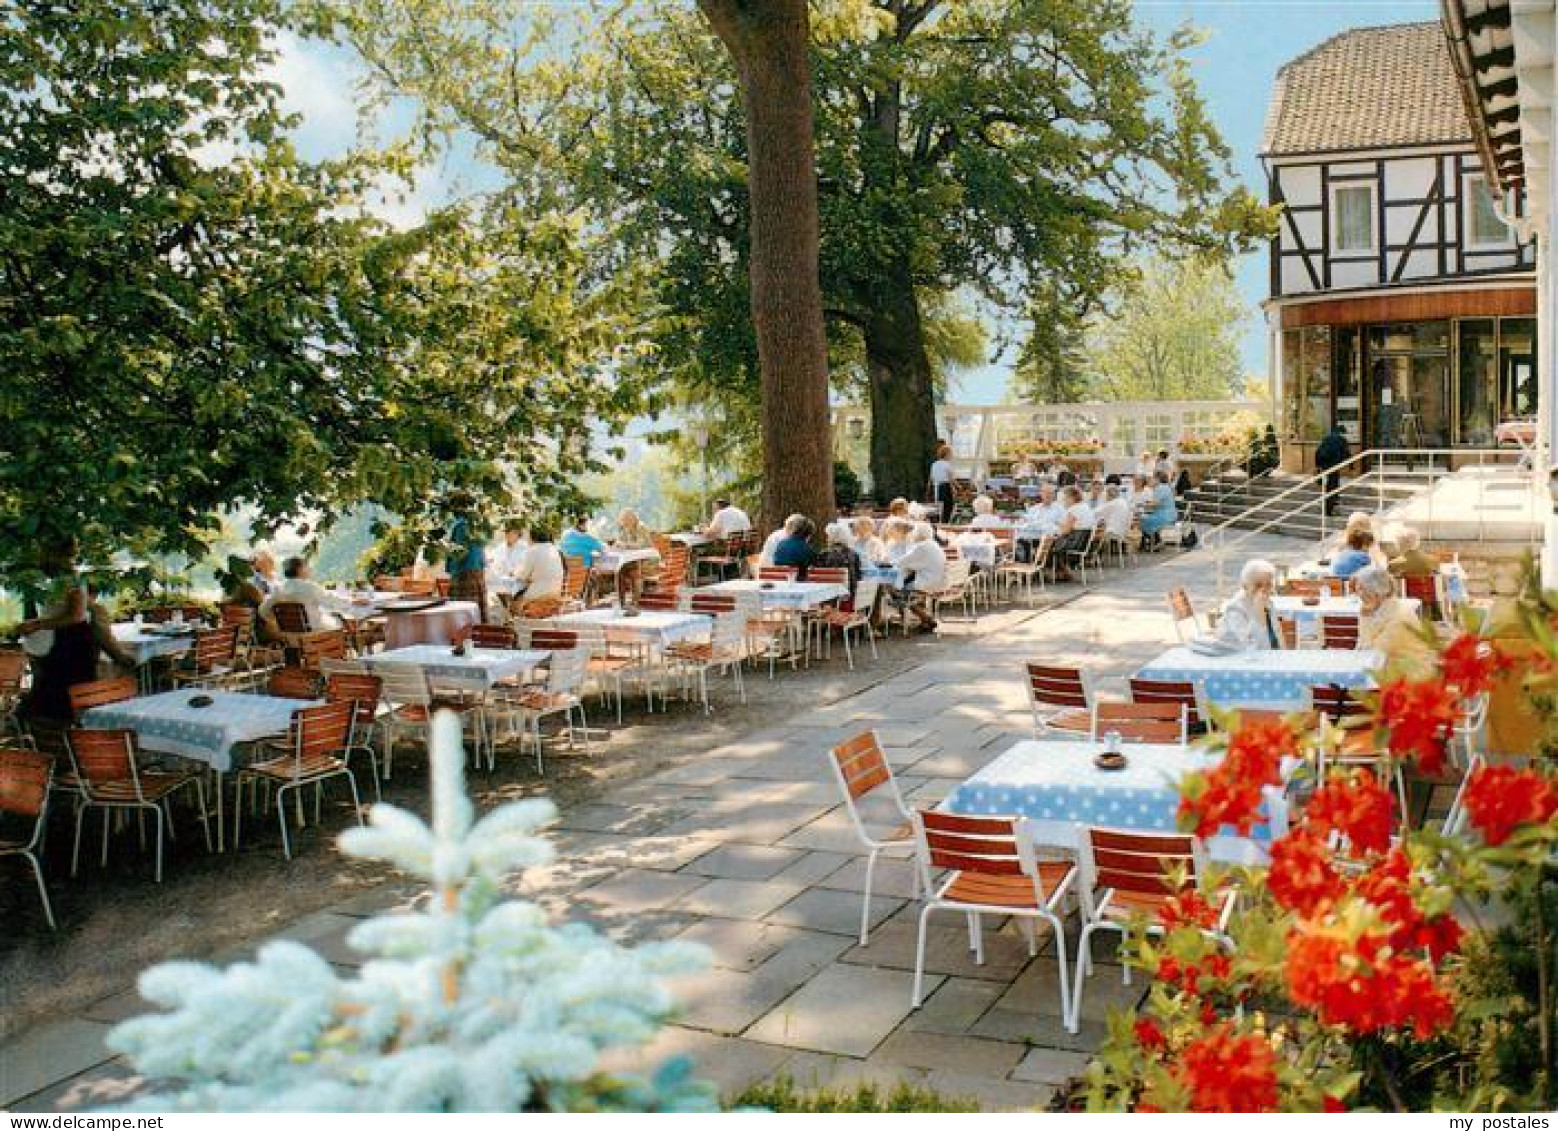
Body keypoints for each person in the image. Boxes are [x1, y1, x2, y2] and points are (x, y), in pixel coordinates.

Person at [16, 540, 99, 725]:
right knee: (52, 696)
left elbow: (76, 616)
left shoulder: (73, 578)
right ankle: (55, 741)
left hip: (73, 641)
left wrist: (39, 624)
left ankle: (69, 741)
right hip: (61, 640)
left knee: (67, 696)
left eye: (44, 552)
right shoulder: (55, 579)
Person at [1353, 566, 1435, 677]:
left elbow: (1374, 652)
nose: (1358, 594)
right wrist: (1364, 618)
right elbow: (1362, 646)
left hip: (1412, 676)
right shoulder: (1378, 610)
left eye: (1361, 589)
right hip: (1391, 667)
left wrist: (1365, 619)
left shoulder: (1399, 617)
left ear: (1376, 592)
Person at [260, 556, 355, 633]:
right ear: (300, 569)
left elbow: (263, 611)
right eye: (306, 567)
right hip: (315, 631)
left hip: (289, 634)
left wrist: (277, 621)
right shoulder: (309, 587)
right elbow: (331, 600)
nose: (309, 569)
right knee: (345, 619)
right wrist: (351, 601)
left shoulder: (278, 589)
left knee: (335, 617)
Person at [1216, 559, 1282, 651]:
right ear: (1245, 586)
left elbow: (1278, 635)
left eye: (1269, 584)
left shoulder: (1268, 603)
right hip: (1237, 660)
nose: (1264, 589)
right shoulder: (1235, 609)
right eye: (1258, 585)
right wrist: (1259, 613)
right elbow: (1252, 647)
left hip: (1267, 658)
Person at [445, 495, 488, 623]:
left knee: (462, 613)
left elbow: (459, 553)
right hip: (477, 570)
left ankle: (465, 638)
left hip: (464, 572)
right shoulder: (475, 523)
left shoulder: (460, 525)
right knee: (477, 611)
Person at [897, 522, 946, 631]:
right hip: (937, 580)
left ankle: (925, 617)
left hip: (928, 582)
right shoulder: (933, 544)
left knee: (897, 592)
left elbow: (902, 562)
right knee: (905, 588)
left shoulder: (921, 546)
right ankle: (924, 620)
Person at [512, 527, 565, 607]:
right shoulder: (554, 549)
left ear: (532, 537)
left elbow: (522, 576)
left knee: (513, 598)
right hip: (555, 592)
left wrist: (514, 573)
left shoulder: (533, 550)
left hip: (538, 595)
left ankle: (514, 617)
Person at [1051, 485, 1095, 581]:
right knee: (1056, 542)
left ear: (1071, 498)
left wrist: (1055, 531)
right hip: (1084, 542)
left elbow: (1066, 531)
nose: (1064, 501)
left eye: (1065, 498)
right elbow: (1072, 526)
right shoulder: (1084, 506)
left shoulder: (1074, 509)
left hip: (1076, 543)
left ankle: (1064, 572)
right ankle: (1061, 573)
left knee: (1052, 544)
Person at [812, 523, 862, 592]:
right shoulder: (853, 554)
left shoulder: (825, 554)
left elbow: (816, 577)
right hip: (850, 593)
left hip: (829, 594)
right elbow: (858, 577)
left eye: (828, 536)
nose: (827, 539)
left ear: (833, 537)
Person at [1314, 424, 1351, 518]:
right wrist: (1351, 465)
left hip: (1325, 465)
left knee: (1330, 485)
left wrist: (1318, 466)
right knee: (1332, 486)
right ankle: (1329, 509)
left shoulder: (1326, 438)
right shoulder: (1341, 440)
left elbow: (1318, 451)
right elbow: (1347, 453)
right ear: (1341, 432)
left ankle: (1334, 501)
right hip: (1333, 465)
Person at [1139, 471, 1177, 550]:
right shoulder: (1165, 487)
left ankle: (1154, 541)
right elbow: (1158, 502)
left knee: (1143, 520)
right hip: (1169, 513)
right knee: (1146, 518)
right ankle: (1154, 540)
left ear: (1158, 479)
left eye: (1153, 478)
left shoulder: (1160, 488)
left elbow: (1155, 504)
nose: (1151, 480)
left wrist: (1142, 505)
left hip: (1165, 515)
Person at [928, 441, 956, 524]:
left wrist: (929, 490)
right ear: (947, 454)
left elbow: (931, 478)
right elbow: (951, 479)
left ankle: (938, 523)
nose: (951, 455)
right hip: (945, 487)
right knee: (947, 507)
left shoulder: (934, 464)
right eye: (950, 454)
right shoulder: (947, 464)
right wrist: (956, 488)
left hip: (936, 487)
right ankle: (945, 523)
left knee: (938, 508)